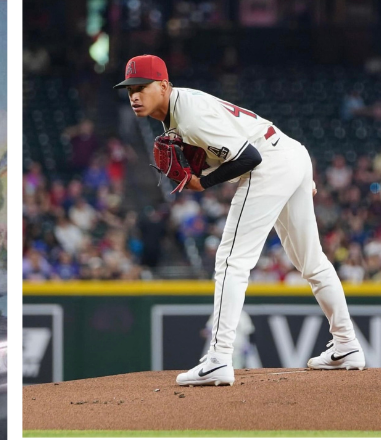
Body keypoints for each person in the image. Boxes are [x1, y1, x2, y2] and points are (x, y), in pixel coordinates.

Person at [114, 54, 365, 386]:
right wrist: (294, 177)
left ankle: (218, 358)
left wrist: (202, 181)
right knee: (312, 262)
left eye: (141, 87)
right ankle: (347, 344)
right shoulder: (178, 111)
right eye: (130, 88)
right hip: (290, 155)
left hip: (270, 162)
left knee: (231, 260)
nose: (134, 95)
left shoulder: (188, 115)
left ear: (163, 86)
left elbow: (249, 157)